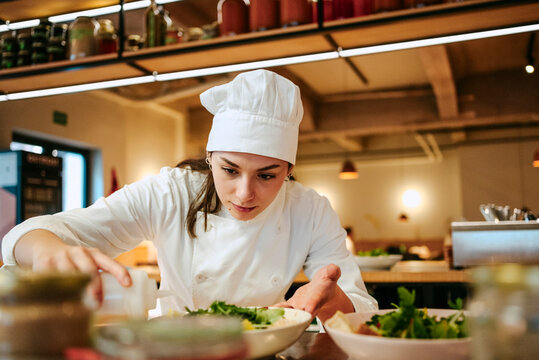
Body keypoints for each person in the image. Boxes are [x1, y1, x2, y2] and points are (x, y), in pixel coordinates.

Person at [1, 70, 377, 321]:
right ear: (210, 158)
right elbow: (29, 235)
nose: (245, 193)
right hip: (177, 348)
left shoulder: (310, 210)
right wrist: (48, 250)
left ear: (289, 171)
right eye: (229, 170)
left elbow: (359, 306)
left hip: (266, 348)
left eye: (267, 175)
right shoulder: (172, 191)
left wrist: (331, 303)